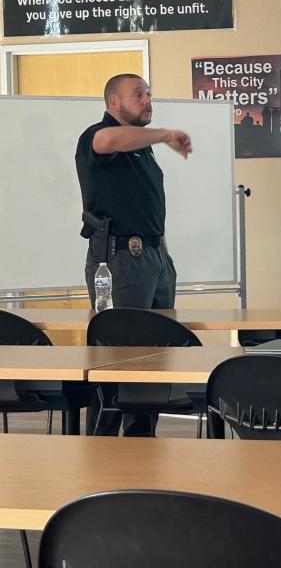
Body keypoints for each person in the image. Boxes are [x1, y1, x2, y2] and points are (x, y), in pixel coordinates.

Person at [75, 73, 192, 437]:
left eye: (149, 94)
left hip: (154, 259)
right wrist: (166, 134)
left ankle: (142, 439)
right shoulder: (99, 136)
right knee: (117, 354)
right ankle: (104, 444)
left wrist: (164, 256)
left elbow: (146, 207)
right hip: (119, 261)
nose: (147, 100)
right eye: (138, 94)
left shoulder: (141, 148)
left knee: (154, 353)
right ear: (114, 103)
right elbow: (110, 139)